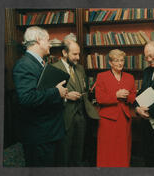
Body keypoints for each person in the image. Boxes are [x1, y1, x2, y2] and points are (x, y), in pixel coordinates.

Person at [12, 26, 68, 167]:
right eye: (48, 40)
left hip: (50, 132)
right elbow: (26, 98)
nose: (50, 44)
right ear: (38, 40)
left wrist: (58, 93)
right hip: (39, 136)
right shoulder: (24, 65)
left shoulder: (41, 63)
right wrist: (56, 92)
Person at [52, 33, 100, 166]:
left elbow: (83, 88)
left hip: (81, 117)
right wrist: (67, 97)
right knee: (64, 155)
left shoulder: (79, 68)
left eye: (79, 54)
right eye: (74, 54)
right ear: (64, 53)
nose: (78, 58)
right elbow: (48, 95)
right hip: (65, 117)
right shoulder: (54, 69)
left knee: (78, 154)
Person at [95, 49, 136, 167]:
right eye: (116, 61)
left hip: (124, 118)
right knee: (107, 149)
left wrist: (127, 97)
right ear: (110, 63)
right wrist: (116, 96)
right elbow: (99, 98)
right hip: (107, 119)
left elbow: (133, 97)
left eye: (122, 60)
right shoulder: (102, 76)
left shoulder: (130, 77)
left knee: (123, 148)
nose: (120, 63)